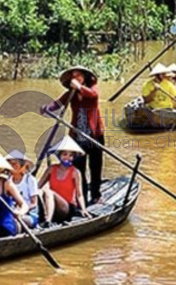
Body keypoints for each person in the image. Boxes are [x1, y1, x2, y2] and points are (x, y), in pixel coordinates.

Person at [40, 66, 105, 205]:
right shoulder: (71, 93)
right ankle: (81, 196)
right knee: (79, 168)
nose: (76, 79)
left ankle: (96, 195)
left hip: (94, 135)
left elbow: (94, 96)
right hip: (78, 136)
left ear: (84, 78)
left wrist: (80, 87)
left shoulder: (91, 88)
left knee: (95, 166)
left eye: (79, 76)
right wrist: (47, 108)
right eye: (73, 76)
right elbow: (57, 104)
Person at [38, 137, 89, 226]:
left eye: (70, 155)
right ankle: (46, 216)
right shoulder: (51, 169)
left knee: (49, 192)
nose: (67, 158)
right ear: (59, 155)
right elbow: (38, 186)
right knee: (44, 192)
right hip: (52, 206)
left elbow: (79, 194)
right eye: (65, 154)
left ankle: (48, 221)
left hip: (67, 208)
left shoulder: (75, 172)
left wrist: (83, 209)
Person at [6, 150, 41, 228]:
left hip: (29, 215)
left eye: (15, 163)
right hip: (12, 212)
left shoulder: (30, 180)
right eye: (10, 164)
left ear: (24, 166)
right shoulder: (6, 181)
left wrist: (21, 211)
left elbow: (34, 203)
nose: (13, 166)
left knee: (15, 219)